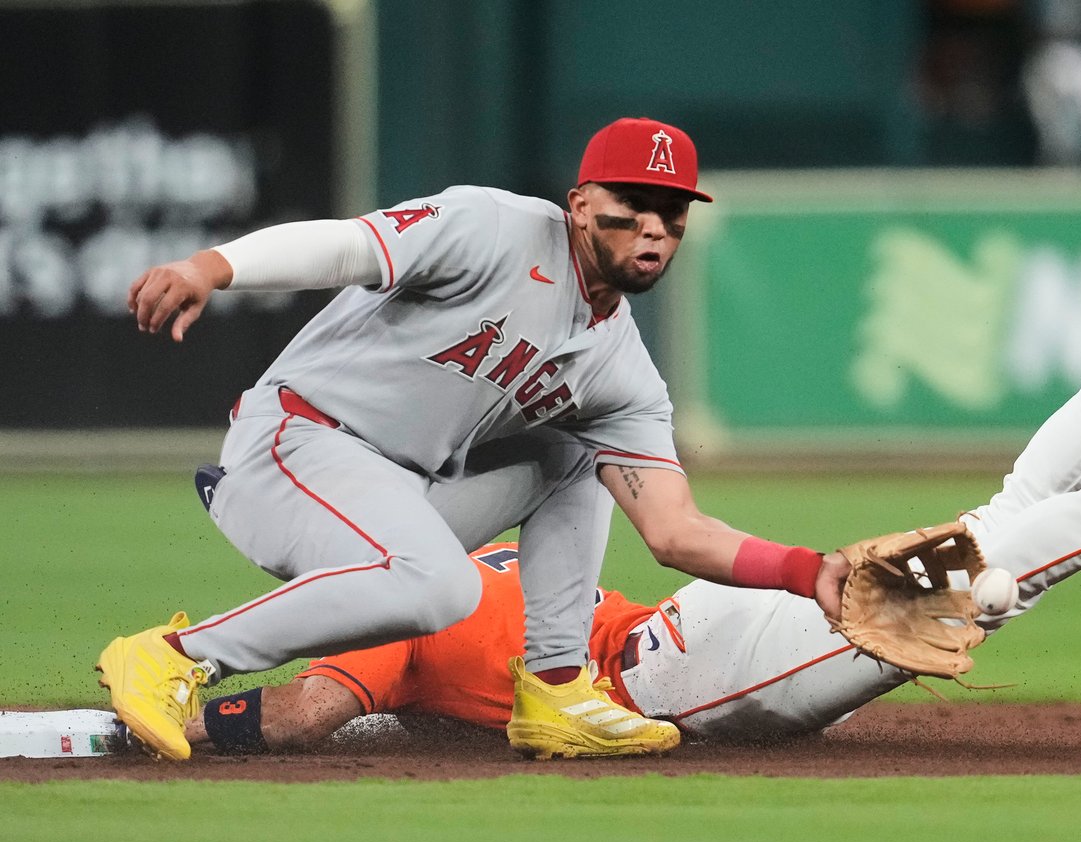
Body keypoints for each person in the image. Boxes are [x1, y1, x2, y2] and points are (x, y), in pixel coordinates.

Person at [186, 248, 1081, 753]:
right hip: (692, 633)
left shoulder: (383, 610)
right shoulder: (444, 557)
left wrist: (198, 714)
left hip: (684, 673)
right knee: (999, 526)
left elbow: (309, 715)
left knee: (981, 587)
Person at [96, 117, 849, 762]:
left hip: (399, 491)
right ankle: (170, 657)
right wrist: (211, 266)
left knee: (573, 448)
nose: (654, 226)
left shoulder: (623, 371)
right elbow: (346, 247)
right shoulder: (492, 228)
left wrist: (806, 568)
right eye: (633, 203)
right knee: (440, 585)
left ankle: (557, 690)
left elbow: (676, 528)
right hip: (293, 443)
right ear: (581, 205)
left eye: (672, 211)